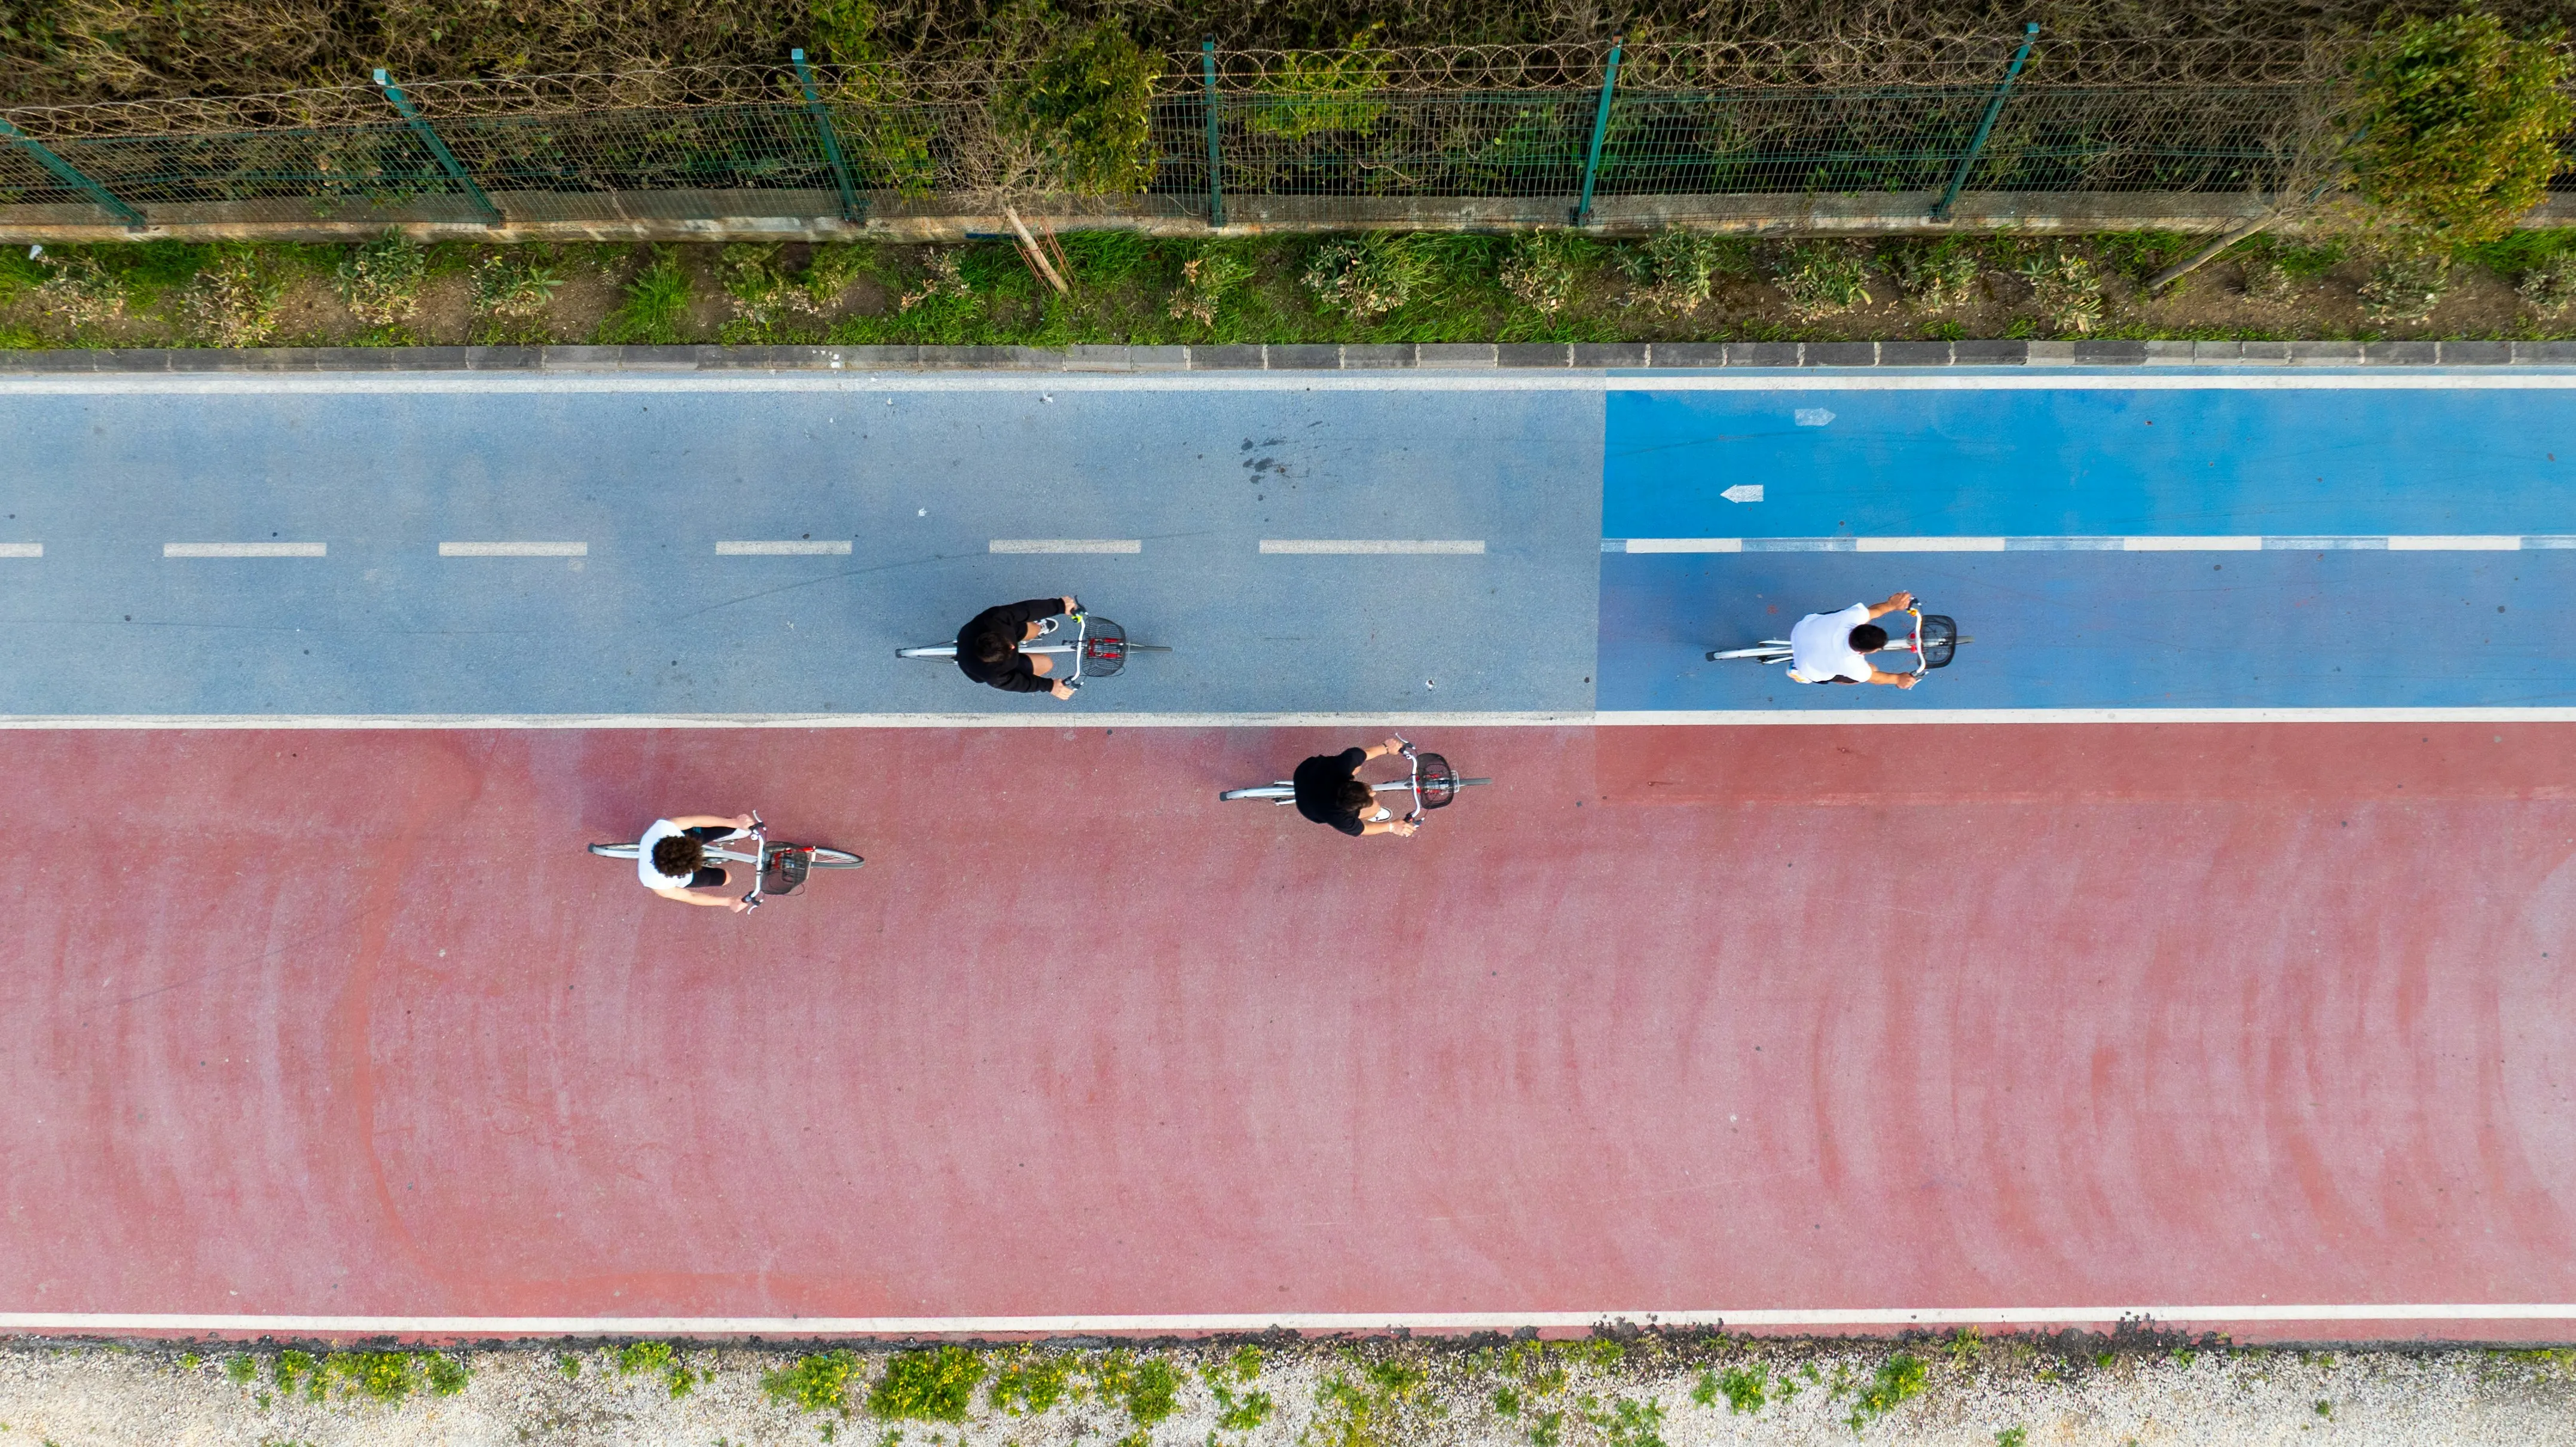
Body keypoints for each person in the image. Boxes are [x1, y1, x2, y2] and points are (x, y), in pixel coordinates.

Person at [1787, 591, 1921, 688]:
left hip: (1802, 628)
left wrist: (1892, 604)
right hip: (1806, 668)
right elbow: (1875, 678)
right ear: (1868, 651)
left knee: (1847, 614)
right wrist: (1898, 679)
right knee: (1872, 669)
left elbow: (1878, 610)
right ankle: (1800, 675)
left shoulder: (1853, 618)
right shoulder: (1853, 667)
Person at [957, 596, 1079, 699]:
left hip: (975, 635)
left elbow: (1025, 610)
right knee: (1046, 664)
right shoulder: (994, 675)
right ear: (1010, 647)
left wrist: (1060, 605)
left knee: (1034, 629)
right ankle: (1031, 637)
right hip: (978, 663)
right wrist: (1049, 686)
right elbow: (1018, 683)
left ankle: (1038, 630)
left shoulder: (995, 618)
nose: (1013, 645)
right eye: (1012, 646)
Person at [1293, 738, 1419, 838]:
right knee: (1375, 808)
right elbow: (1365, 829)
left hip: (1306, 772)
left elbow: (1365, 754)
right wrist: (1390, 827)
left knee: (1358, 768)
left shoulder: (1346, 764)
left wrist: (1386, 748)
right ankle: (1373, 813)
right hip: (1307, 801)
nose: (1374, 793)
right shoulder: (1340, 818)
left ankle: (1372, 812)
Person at [637, 813, 759, 910]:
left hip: (683, 841)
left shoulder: (664, 829)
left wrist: (734, 822)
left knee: (730, 826)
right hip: (683, 862)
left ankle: (728, 832)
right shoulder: (656, 882)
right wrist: (728, 902)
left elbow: (694, 821)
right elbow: (690, 896)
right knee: (726, 878)